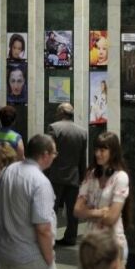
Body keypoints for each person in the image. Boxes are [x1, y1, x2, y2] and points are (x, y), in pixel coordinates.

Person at [0, 134, 58, 269]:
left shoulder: (8, 171)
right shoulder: (41, 182)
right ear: (45, 155)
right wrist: (50, 261)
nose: (55, 157)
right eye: (54, 153)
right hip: (30, 258)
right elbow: (43, 229)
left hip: (4, 252)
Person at [74, 131, 131, 269]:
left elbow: (112, 218)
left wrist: (88, 213)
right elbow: (76, 210)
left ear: (113, 152)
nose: (98, 154)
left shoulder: (120, 177)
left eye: (103, 150)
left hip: (113, 244)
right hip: (91, 244)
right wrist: (100, 212)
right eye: (96, 149)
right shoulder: (91, 174)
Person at [47, 103, 87, 246]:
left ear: (61, 113)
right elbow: (82, 158)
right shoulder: (82, 132)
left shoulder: (54, 128)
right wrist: (82, 177)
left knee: (51, 209)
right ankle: (71, 237)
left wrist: (45, 173)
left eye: (57, 111)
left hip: (56, 176)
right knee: (72, 211)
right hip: (74, 177)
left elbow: (49, 153)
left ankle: (49, 237)